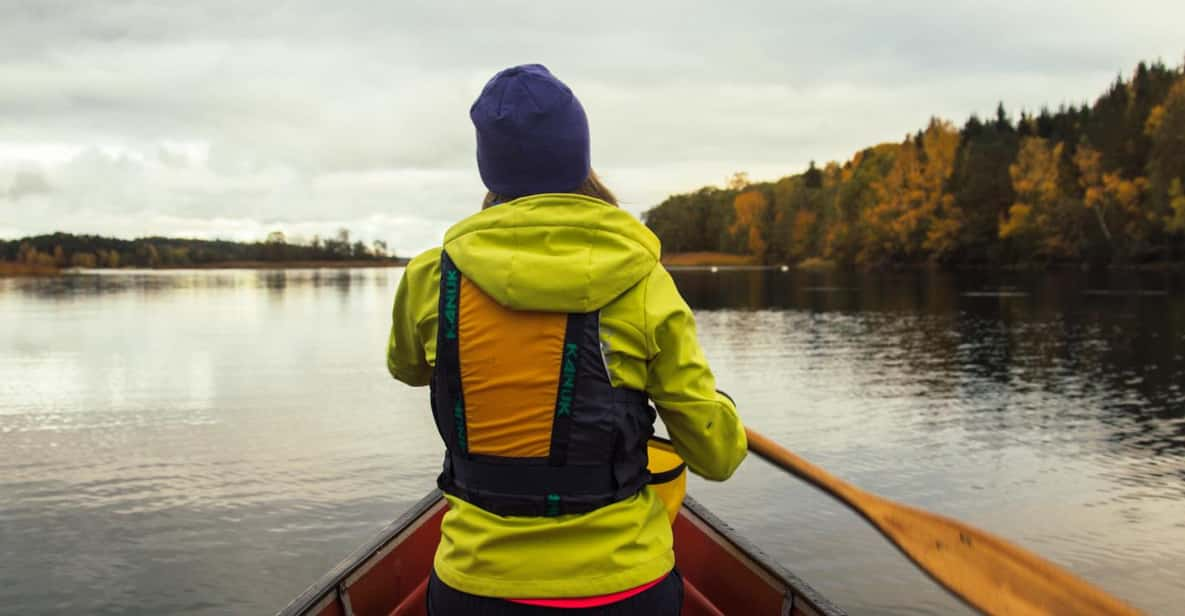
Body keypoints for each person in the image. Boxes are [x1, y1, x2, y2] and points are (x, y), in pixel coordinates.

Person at [386, 64, 747, 615]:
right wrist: (718, 411)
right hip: (625, 591)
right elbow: (716, 456)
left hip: (476, 590)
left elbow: (408, 369)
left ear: (492, 169)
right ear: (579, 157)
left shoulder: (430, 277)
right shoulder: (646, 281)